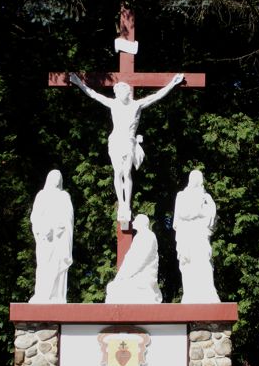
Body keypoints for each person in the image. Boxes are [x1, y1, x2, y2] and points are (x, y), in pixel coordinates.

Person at [69, 73, 184, 223]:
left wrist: (172, 84)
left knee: (127, 172)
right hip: (116, 141)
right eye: (122, 92)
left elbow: (156, 96)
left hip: (129, 141)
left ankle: (127, 203)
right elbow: (93, 94)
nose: (125, 94)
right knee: (118, 172)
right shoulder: (114, 104)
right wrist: (79, 83)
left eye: (126, 92)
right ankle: (121, 203)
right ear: (117, 93)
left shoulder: (136, 105)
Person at [173, 170, 220, 303]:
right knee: (187, 264)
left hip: (200, 235)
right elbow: (182, 214)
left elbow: (212, 216)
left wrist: (200, 213)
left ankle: (207, 292)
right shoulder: (182, 196)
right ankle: (190, 294)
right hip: (187, 235)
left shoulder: (206, 198)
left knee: (204, 261)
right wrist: (200, 212)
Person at [29, 170, 74, 304]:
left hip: (59, 239)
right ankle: (42, 294)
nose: (56, 180)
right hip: (45, 239)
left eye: (58, 178)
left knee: (58, 265)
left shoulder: (64, 196)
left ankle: (56, 296)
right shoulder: (42, 195)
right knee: (44, 265)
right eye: (54, 177)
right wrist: (43, 229)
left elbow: (68, 217)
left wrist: (58, 227)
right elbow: (35, 216)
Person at [105, 214, 162, 304]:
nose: (133, 222)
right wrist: (120, 276)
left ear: (141, 223)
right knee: (113, 287)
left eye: (136, 220)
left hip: (143, 278)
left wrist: (123, 276)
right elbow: (131, 259)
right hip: (135, 276)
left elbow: (138, 262)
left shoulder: (147, 236)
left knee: (115, 288)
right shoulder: (140, 236)